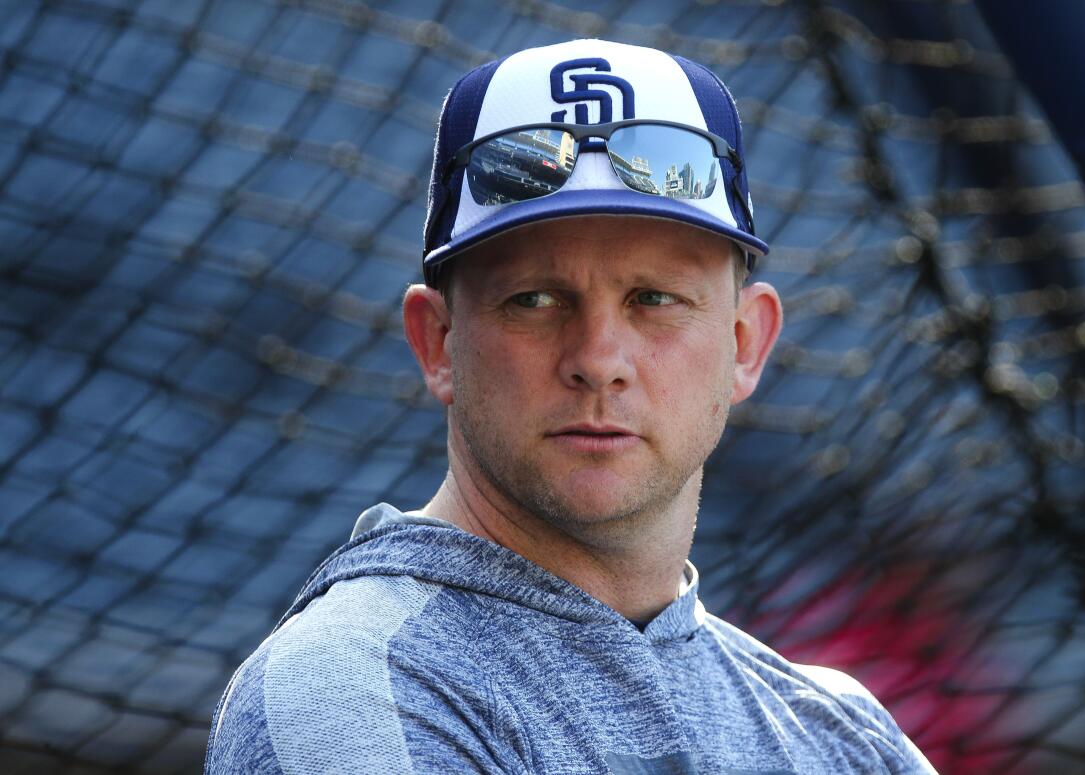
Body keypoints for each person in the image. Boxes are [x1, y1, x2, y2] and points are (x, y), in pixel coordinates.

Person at [205, 38, 937, 774]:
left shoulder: (843, 737)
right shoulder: (354, 687)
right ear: (438, 341)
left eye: (655, 298)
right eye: (535, 298)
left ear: (745, 343)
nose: (598, 359)